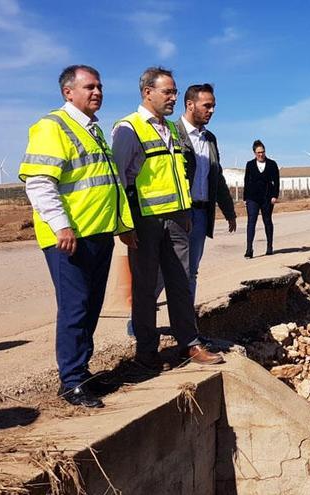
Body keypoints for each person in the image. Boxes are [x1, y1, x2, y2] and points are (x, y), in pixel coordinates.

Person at [19, 65, 136, 408]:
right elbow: (40, 182)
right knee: (75, 308)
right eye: (89, 86)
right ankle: (71, 382)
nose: (97, 92)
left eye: (100, 86)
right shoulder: (52, 127)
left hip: (97, 233)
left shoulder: (95, 130)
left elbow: (110, 185)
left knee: (90, 308)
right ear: (68, 92)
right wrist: (61, 226)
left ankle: (80, 373)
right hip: (69, 238)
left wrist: (122, 226)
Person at [111, 66, 224, 368]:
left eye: (175, 91)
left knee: (181, 284)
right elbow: (119, 179)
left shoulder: (172, 130)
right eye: (168, 92)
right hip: (145, 223)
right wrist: (124, 224)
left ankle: (189, 343)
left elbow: (180, 176)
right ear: (148, 92)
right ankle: (146, 353)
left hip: (176, 220)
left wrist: (185, 213)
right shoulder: (128, 128)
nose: (174, 97)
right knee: (146, 288)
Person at [174, 83, 236, 305]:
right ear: (190, 105)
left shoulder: (210, 139)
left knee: (191, 271)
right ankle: (141, 324)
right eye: (207, 106)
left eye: (214, 106)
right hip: (177, 214)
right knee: (164, 272)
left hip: (200, 215)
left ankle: (187, 326)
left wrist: (229, 210)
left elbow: (216, 177)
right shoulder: (173, 134)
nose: (212, 111)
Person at [242, 140, 279, 258]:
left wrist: (274, 195)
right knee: (251, 222)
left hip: (267, 198)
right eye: (258, 152)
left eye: (262, 152)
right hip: (252, 198)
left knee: (267, 221)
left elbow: (276, 182)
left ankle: (269, 246)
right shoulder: (250, 165)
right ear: (254, 153)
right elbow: (246, 181)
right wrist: (245, 198)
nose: (261, 154)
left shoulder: (272, 164)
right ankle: (249, 249)